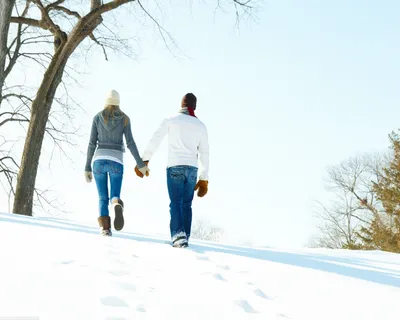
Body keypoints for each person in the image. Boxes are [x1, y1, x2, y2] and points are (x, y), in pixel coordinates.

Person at [135, 93, 209, 248]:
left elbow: (156, 139)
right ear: (194, 107)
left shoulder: (171, 120)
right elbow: (204, 153)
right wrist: (204, 178)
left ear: (181, 105)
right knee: (187, 203)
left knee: (175, 202)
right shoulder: (201, 126)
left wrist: (145, 160)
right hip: (192, 169)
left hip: (175, 166)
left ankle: (178, 235)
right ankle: (185, 235)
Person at [84, 89, 150, 236]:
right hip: (116, 161)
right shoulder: (125, 119)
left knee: (102, 197)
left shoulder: (97, 118)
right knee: (114, 195)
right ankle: (116, 203)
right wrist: (141, 164)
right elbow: (130, 143)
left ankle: (105, 229)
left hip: (99, 161)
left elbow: (91, 144)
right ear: (118, 103)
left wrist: (87, 167)